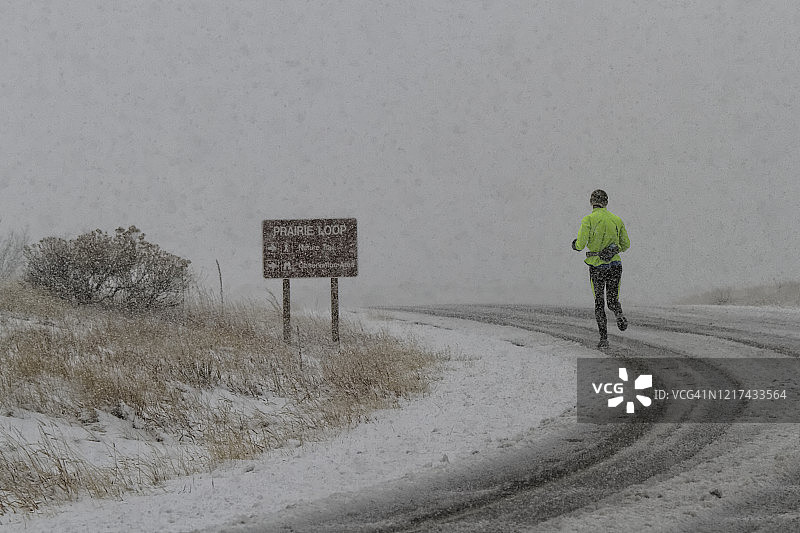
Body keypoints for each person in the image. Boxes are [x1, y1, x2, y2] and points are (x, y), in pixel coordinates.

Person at [571, 189, 630, 348]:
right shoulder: (617, 220)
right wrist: (614, 249)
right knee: (612, 299)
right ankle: (618, 313)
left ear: (592, 202)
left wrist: (575, 245)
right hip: (615, 265)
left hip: (597, 266)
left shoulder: (588, 220)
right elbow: (626, 245)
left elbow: (581, 244)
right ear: (606, 202)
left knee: (599, 302)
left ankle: (603, 339)